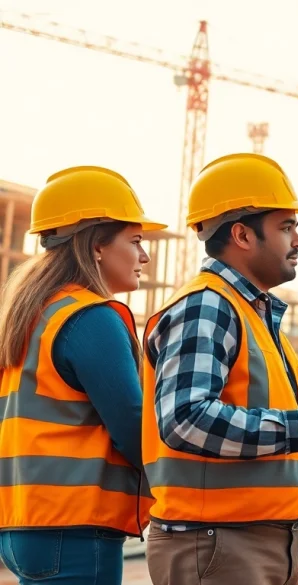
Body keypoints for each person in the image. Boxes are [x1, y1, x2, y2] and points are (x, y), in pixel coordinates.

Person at [141, 153, 298, 585]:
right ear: (242, 234)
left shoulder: (253, 315)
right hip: (220, 544)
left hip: (263, 542)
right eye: (286, 227)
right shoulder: (208, 305)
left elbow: (256, 438)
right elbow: (186, 420)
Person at [0, 166, 166, 584]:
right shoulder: (90, 318)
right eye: (135, 241)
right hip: (73, 528)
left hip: (22, 523)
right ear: (96, 245)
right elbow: (134, 428)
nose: (144, 256)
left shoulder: (30, 315)